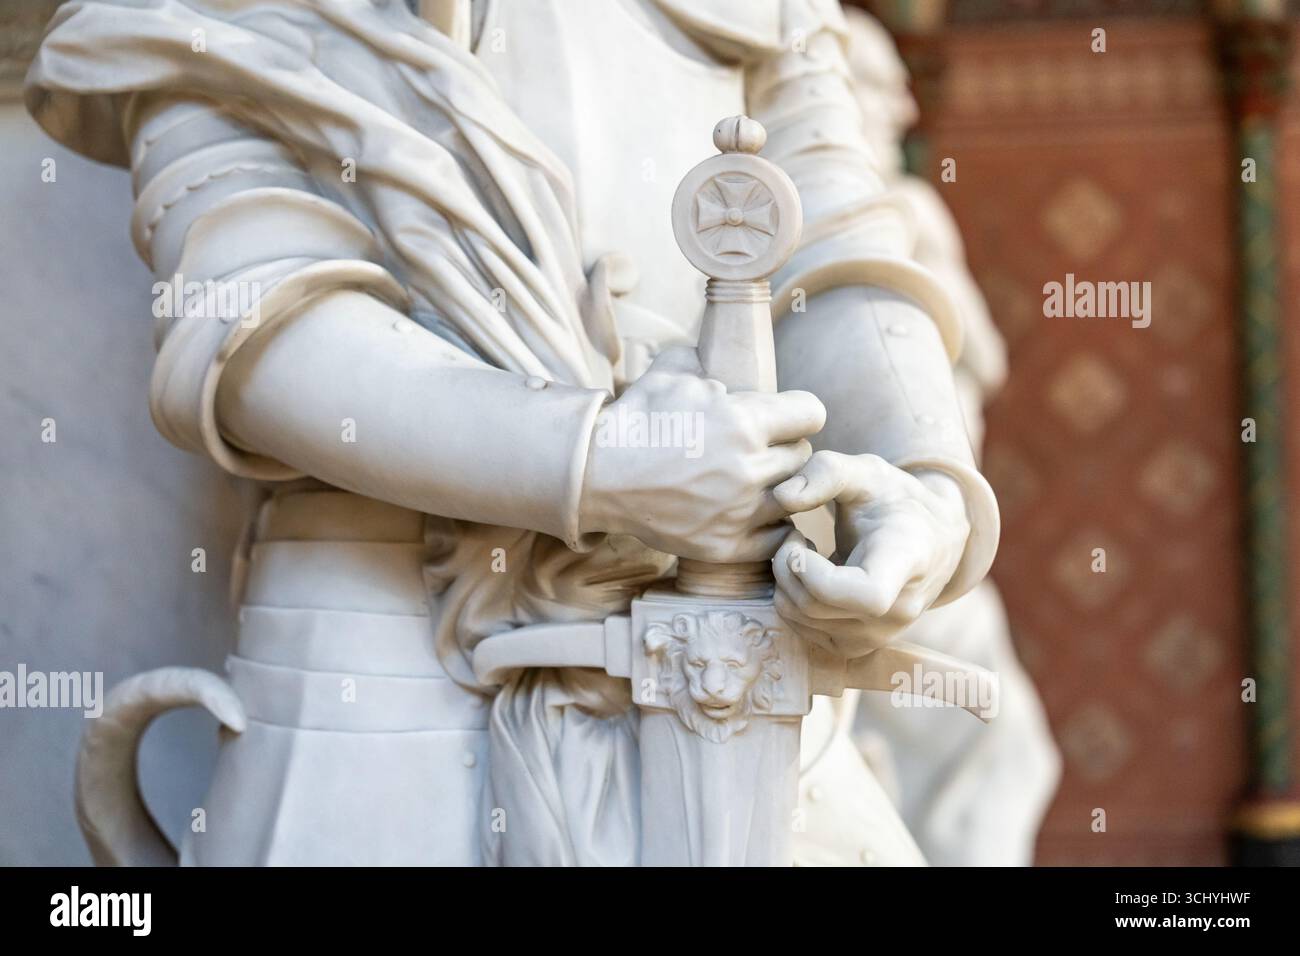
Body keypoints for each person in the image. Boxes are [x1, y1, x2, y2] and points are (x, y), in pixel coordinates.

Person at [29, 0, 998, 865]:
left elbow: (831, 254)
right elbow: (252, 324)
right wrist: (599, 460)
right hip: (382, 675)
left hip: (734, 677)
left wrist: (922, 487)